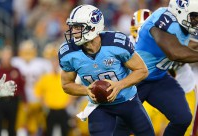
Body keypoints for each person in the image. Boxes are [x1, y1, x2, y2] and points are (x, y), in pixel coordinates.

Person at [58, 4, 155, 136]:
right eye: (73, 27)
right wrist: (86, 90)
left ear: (93, 27)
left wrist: (119, 85)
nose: (74, 31)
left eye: (78, 27)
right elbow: (66, 85)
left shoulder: (116, 44)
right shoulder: (69, 53)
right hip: (99, 107)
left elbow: (142, 70)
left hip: (127, 101)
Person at [114, 0, 198, 136]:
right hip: (137, 79)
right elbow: (175, 52)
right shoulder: (161, 19)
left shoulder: (180, 24)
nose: (196, 21)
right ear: (180, 11)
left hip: (158, 78)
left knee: (183, 118)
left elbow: (188, 46)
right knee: (123, 125)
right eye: (194, 17)